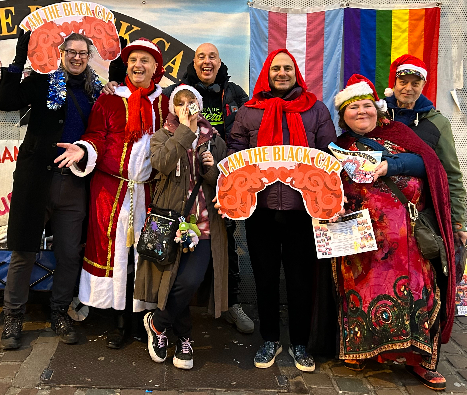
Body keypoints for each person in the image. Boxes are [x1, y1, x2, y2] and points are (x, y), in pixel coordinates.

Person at [332, 74, 456, 390]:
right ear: (343, 116)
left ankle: (420, 360)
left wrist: (392, 166)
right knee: (361, 291)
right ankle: (361, 349)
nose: (361, 112)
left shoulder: (399, 134)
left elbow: (431, 165)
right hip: (359, 237)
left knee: (417, 291)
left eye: (366, 106)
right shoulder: (337, 147)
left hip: (408, 239)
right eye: (352, 108)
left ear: (377, 109)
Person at [224, 49, 336, 371]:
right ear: (267, 74)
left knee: (301, 279)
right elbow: (235, 151)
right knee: (265, 277)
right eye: (276, 69)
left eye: (288, 68)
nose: (282, 73)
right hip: (261, 209)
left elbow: (329, 153)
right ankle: (270, 339)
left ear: (296, 72)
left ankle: (300, 343)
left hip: (304, 210)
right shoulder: (249, 111)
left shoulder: (315, 109)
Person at [55, 38, 168, 349]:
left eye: (145, 61)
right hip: (112, 191)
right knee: (116, 256)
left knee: (144, 256)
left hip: (151, 192)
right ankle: (120, 322)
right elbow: (96, 136)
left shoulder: (166, 103)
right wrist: (83, 149)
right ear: (127, 66)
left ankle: (142, 319)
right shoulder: (109, 100)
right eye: (133, 60)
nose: (138, 66)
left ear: (155, 68)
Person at [0, 31, 103, 350]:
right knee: (24, 250)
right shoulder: (44, 82)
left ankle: (59, 311)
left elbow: (103, 130)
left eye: (83, 53)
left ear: (89, 56)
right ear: (62, 52)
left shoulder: (95, 92)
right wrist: (17, 63)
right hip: (36, 180)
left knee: (69, 254)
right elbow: (5, 101)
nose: (77, 57)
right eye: (71, 51)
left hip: (73, 182)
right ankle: (13, 315)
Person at [134, 84, 228, 370]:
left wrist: (211, 169)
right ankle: (184, 338)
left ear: (199, 106)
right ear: (172, 108)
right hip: (170, 224)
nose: (186, 107)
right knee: (173, 280)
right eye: (179, 102)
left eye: (191, 102)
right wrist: (185, 132)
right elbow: (162, 164)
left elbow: (225, 181)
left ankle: (158, 323)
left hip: (203, 227)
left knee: (190, 281)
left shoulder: (214, 140)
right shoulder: (161, 136)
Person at [162, 43, 252, 334]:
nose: (207, 61)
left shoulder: (235, 93)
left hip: (221, 177)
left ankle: (229, 304)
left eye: (212, 56)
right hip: (182, 186)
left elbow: (247, 130)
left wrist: (229, 175)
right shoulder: (177, 92)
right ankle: (174, 311)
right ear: (195, 62)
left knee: (225, 247)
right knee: (178, 253)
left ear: (219, 62)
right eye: (201, 56)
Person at [384, 55, 467, 248]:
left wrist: (457, 222)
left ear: (423, 85)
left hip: (419, 220)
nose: (408, 88)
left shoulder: (437, 124)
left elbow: (451, 175)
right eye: (403, 82)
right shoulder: (378, 117)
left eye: (415, 83)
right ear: (394, 83)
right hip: (380, 215)